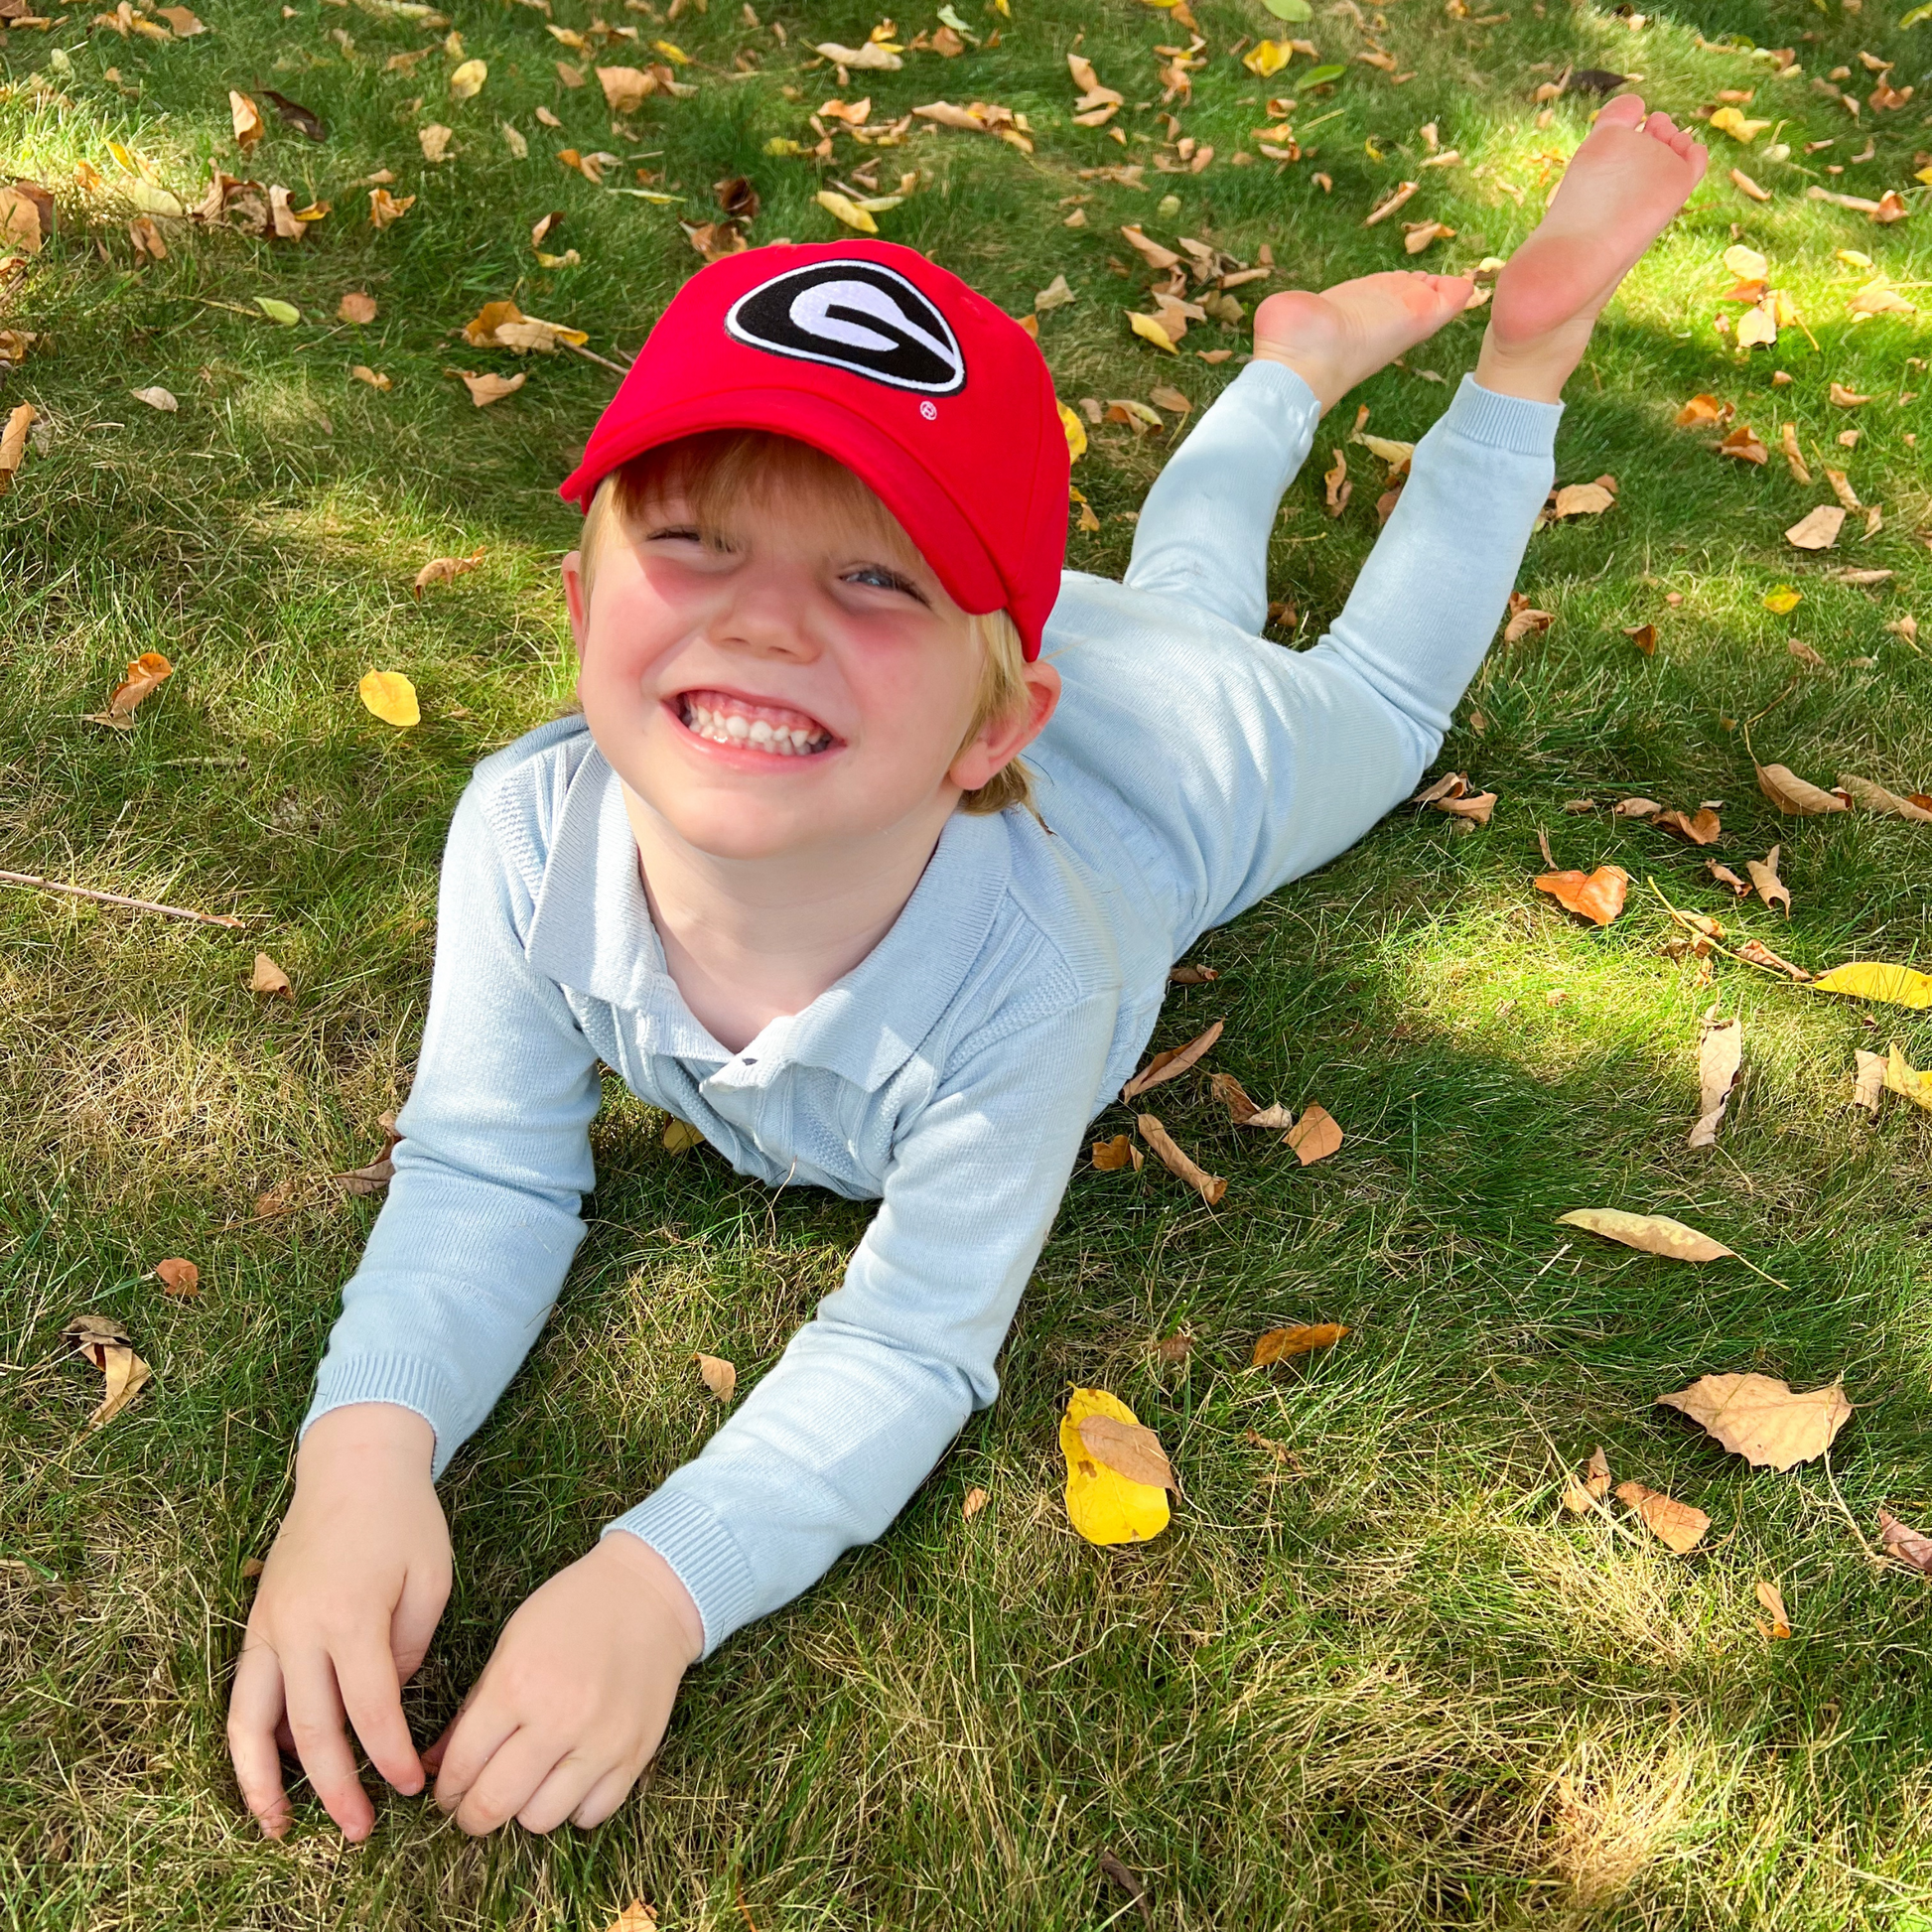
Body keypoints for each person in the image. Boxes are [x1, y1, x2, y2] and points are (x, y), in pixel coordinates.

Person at [227, 97, 1707, 1843]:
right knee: (1175, 586)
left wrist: (660, 1584)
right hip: (1030, 630)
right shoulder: (523, 828)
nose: (764, 618)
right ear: (576, 600)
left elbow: (915, 1341)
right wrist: (360, 1457)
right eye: (694, 534)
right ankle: (1284, 377)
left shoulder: (1030, 987)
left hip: (1187, 751)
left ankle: (1520, 356)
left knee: (1373, 706)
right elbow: (483, 1163)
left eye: (870, 571)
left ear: (992, 722)